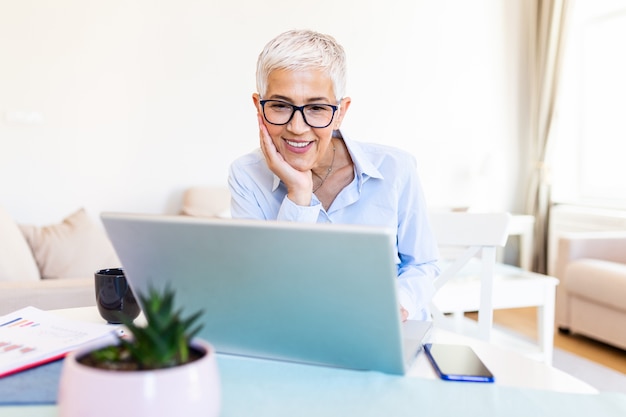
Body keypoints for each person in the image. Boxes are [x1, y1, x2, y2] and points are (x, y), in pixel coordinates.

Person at [228, 29, 439, 321]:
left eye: (316, 108)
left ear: (340, 112)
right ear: (259, 108)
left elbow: (424, 264)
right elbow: (263, 286)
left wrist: (399, 305)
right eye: (280, 106)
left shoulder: (396, 169)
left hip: (382, 331)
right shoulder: (246, 176)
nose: (297, 127)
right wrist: (298, 194)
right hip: (295, 331)